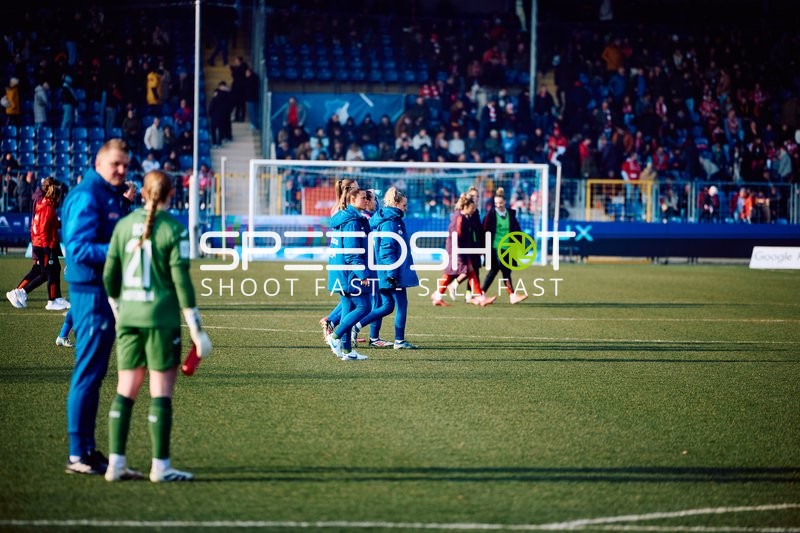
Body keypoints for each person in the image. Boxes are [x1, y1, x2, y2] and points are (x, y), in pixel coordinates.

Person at [102, 169, 212, 482]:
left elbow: (109, 275)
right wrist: (195, 326)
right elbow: (181, 281)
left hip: (129, 320)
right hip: (161, 320)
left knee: (125, 391)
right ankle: (160, 466)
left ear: (142, 193)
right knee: (160, 393)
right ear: (170, 194)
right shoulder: (173, 229)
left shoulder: (123, 225)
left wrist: (118, 310)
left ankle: (115, 463)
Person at [61, 139, 131, 475]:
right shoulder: (88, 194)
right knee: (88, 371)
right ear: (98, 162)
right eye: (115, 164)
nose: (121, 170)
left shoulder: (107, 194)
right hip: (89, 291)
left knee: (96, 372)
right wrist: (122, 250)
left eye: (125, 165)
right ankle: (77, 453)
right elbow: (77, 248)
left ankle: (87, 450)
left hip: (103, 291)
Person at [354, 187, 420, 350]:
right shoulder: (391, 222)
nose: (406, 208)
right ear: (396, 203)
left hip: (386, 271)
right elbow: (386, 250)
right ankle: (399, 341)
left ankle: (356, 327)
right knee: (401, 305)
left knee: (386, 306)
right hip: (391, 273)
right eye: (404, 205)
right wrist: (392, 273)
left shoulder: (391, 219)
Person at [6, 177, 71, 310]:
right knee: (46, 272)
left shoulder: (42, 203)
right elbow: (43, 229)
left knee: (47, 270)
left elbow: (45, 225)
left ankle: (53, 298)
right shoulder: (46, 207)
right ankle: (48, 299)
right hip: (43, 244)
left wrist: (60, 224)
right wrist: (47, 249)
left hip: (39, 243)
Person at [325, 187, 371, 361]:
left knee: (348, 310)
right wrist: (363, 275)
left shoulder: (348, 218)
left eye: (367, 198)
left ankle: (347, 351)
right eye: (363, 198)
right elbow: (352, 253)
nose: (366, 200)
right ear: (352, 200)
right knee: (364, 307)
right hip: (349, 272)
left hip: (340, 271)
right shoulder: (352, 222)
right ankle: (334, 337)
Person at [431, 194, 496, 307]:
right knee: (462, 272)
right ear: (465, 206)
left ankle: (437, 296)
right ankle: (480, 297)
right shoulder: (460, 218)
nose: (474, 210)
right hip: (457, 251)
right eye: (472, 208)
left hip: (460, 251)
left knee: (453, 273)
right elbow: (457, 237)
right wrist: (458, 254)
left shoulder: (463, 217)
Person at [480, 188, 528, 304]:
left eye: (500, 203)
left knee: (494, 271)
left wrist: (523, 247)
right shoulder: (490, 215)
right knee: (506, 270)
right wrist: (483, 248)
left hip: (509, 247)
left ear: (505, 202)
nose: (498, 205)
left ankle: (480, 294)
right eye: (496, 203)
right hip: (496, 247)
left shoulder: (510, 215)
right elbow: (484, 231)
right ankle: (512, 295)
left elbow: (517, 231)